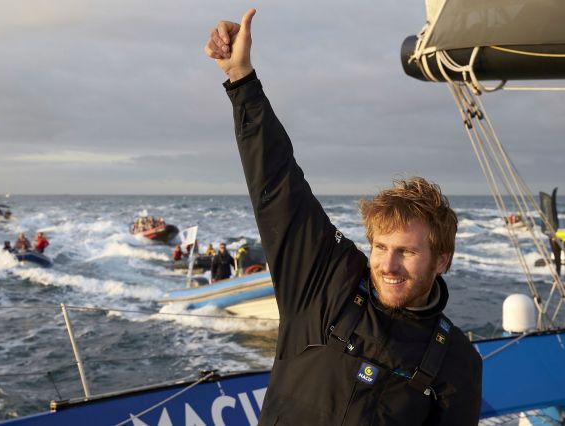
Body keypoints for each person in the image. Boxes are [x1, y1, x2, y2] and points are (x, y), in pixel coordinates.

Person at [205, 9, 482, 425]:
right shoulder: (323, 281)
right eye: (381, 247)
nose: (387, 266)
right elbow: (279, 185)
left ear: (442, 259)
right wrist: (241, 79)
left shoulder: (457, 361)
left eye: (406, 252)